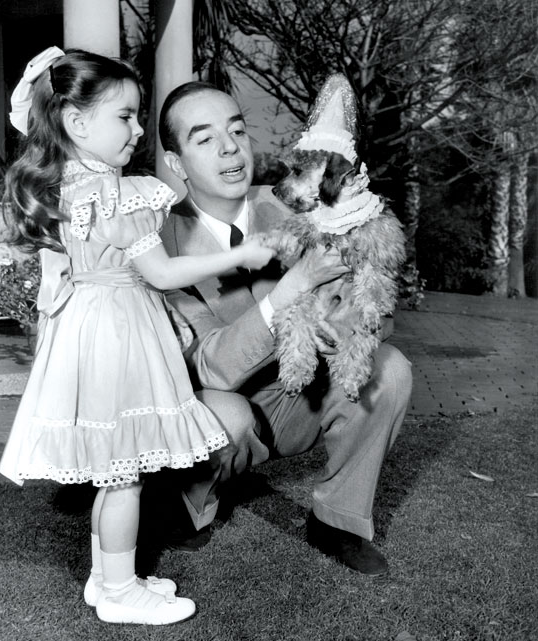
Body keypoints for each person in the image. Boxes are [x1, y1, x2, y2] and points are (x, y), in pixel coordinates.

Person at [0, 49, 274, 626]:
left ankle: (107, 578)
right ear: (77, 124)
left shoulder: (70, 186)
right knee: (124, 477)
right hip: (118, 334)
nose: (137, 129)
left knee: (113, 467)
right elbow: (163, 274)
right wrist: (242, 253)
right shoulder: (120, 195)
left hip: (88, 331)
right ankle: (120, 591)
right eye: (124, 116)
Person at [157, 81, 413, 576]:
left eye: (236, 130)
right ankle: (190, 502)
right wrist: (296, 285)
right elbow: (208, 365)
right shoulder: (159, 244)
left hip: (301, 396)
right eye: (204, 138)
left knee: (392, 369)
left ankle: (337, 520)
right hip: (218, 405)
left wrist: (339, 324)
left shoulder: (304, 204)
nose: (230, 148)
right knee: (227, 417)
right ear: (175, 162)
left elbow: (380, 309)